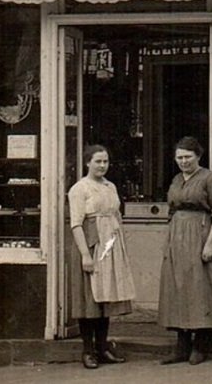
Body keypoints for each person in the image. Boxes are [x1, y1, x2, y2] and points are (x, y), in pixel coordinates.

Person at [158, 136, 212, 365]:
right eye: (179, 157)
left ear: (198, 156)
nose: (183, 161)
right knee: (178, 288)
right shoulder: (176, 180)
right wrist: (170, 240)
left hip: (202, 235)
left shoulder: (210, 179)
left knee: (201, 289)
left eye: (188, 157)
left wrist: (210, 243)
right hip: (178, 238)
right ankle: (181, 347)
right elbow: (171, 211)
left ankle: (201, 345)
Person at [67, 144, 135, 369]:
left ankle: (103, 347)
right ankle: (88, 351)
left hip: (110, 245)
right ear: (87, 163)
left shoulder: (110, 186)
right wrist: (85, 255)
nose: (102, 166)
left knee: (106, 298)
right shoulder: (79, 189)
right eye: (98, 161)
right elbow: (76, 224)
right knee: (90, 301)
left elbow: (116, 216)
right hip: (91, 244)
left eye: (105, 161)